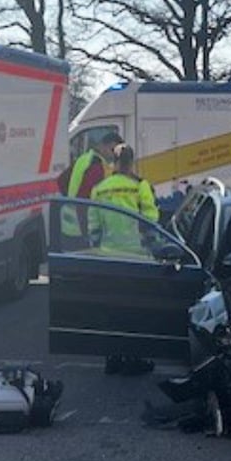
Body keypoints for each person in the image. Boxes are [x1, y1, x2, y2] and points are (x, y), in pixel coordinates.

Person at [88, 143, 160, 376]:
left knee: (112, 311)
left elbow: (94, 229)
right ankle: (134, 359)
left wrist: (96, 251)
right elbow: (151, 224)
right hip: (136, 259)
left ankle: (113, 360)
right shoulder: (140, 187)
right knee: (135, 312)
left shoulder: (99, 189)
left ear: (115, 163)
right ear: (131, 162)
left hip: (109, 258)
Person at [59, 131, 122, 250]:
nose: (114, 155)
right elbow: (85, 203)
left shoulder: (84, 159)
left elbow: (62, 181)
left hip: (67, 229)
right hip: (81, 232)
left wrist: (70, 199)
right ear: (102, 146)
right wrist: (87, 236)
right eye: (112, 149)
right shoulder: (97, 167)